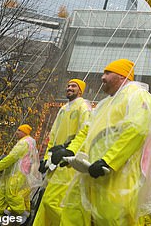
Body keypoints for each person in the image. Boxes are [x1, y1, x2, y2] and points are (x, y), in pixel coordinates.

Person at [51, 59, 151, 225]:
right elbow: (87, 130)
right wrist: (71, 150)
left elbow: (137, 130)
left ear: (122, 76)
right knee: (72, 212)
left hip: (117, 176)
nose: (102, 77)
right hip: (89, 172)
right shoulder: (103, 104)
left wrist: (108, 161)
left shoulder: (138, 95)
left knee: (111, 219)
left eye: (108, 73)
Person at [32, 78, 91, 226]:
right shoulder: (63, 109)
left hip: (67, 164)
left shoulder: (83, 107)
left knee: (52, 202)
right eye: (68, 85)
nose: (69, 88)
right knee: (45, 204)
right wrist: (47, 158)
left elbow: (85, 132)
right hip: (55, 163)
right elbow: (53, 136)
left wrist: (70, 152)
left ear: (80, 90)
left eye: (74, 86)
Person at [0, 124, 40, 221]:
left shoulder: (24, 143)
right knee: (1, 195)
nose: (17, 132)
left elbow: (13, 156)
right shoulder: (27, 142)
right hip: (13, 173)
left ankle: (21, 212)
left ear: (24, 132)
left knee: (12, 194)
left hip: (16, 173)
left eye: (19, 130)